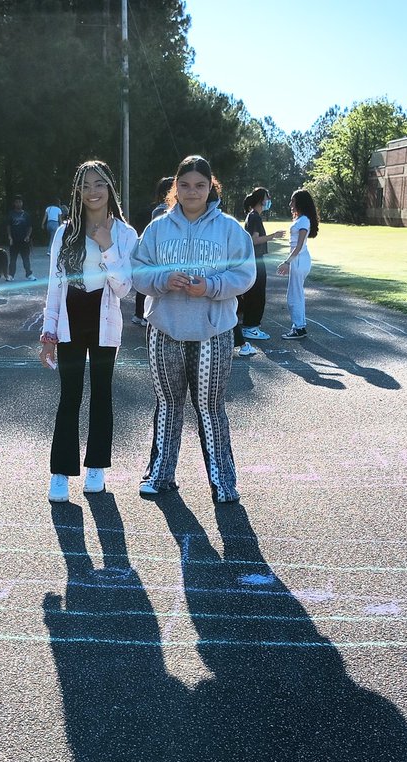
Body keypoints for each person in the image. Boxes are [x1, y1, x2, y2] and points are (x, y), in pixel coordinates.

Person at [131, 154, 256, 503]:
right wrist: (163, 278)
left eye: (200, 185)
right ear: (175, 187)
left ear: (210, 187)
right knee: (169, 404)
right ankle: (160, 475)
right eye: (184, 185)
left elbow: (245, 275)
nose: (192, 192)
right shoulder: (157, 228)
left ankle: (222, 481)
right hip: (164, 330)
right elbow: (138, 272)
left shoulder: (230, 228)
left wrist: (211, 287)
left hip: (212, 333)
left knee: (210, 407)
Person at [39, 161, 138, 503]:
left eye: (99, 184)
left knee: (101, 394)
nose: (92, 191)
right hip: (70, 317)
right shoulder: (64, 231)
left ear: (110, 188)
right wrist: (47, 334)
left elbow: (125, 288)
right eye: (85, 186)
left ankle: (97, 466)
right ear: (77, 192)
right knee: (69, 397)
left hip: (104, 320)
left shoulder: (125, 234)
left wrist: (107, 244)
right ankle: (61, 472)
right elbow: (54, 285)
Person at [233, 187, 285, 356]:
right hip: (256, 260)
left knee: (253, 292)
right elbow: (255, 240)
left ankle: (249, 324)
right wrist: (273, 236)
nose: (269, 199)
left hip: (254, 260)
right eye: (268, 197)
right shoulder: (254, 216)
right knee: (257, 293)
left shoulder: (253, 216)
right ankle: (251, 326)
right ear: (262, 199)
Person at [277, 188, 319, 340]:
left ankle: (299, 327)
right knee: (296, 294)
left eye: (292, 201)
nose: (290, 204)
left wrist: (287, 262)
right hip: (298, 259)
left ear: (300, 202)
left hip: (299, 259)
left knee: (294, 295)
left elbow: (299, 246)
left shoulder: (303, 221)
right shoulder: (301, 219)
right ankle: (299, 325)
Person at [132, 176, 174, 327]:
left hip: (154, 254)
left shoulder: (158, 209)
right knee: (151, 286)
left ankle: (139, 314)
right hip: (159, 256)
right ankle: (143, 315)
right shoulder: (163, 210)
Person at [6, 196, 35, 280]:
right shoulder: (11, 214)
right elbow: (8, 226)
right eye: (17, 202)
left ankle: (29, 274)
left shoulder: (26, 214)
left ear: (22, 203)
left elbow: (30, 227)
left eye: (20, 202)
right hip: (14, 240)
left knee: (26, 258)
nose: (18, 203)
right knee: (12, 259)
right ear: (14, 203)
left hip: (24, 240)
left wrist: (28, 236)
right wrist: (9, 237)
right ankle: (11, 275)